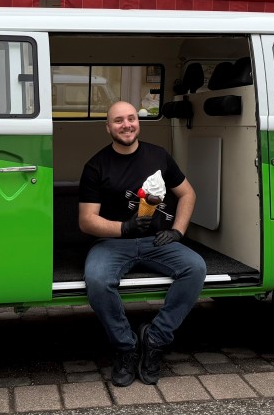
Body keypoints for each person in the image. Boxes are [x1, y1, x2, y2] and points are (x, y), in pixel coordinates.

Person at [78, 101, 206, 387]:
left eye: (131, 118)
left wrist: (178, 232)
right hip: (111, 243)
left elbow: (187, 194)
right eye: (119, 120)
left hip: (156, 241)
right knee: (97, 280)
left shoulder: (158, 156)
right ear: (108, 127)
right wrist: (124, 227)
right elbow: (87, 221)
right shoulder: (96, 166)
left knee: (195, 268)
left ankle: (155, 339)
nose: (127, 125)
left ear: (138, 122)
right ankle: (125, 346)